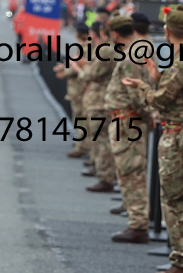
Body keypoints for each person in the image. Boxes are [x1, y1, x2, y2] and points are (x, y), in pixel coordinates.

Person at [122, 5, 183, 273]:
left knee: (176, 200)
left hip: (179, 135)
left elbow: (160, 101)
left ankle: (182, 263)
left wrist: (144, 86)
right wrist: (157, 78)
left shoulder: (181, 60)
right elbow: (177, 90)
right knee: (182, 199)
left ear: (168, 31)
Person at [104, 12, 155, 243]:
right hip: (128, 119)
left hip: (128, 120)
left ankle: (138, 225)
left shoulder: (130, 57)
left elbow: (135, 94)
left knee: (130, 172)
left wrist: (147, 114)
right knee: (128, 171)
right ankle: (137, 221)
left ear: (115, 34)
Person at [75, 21, 116, 191]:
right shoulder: (112, 49)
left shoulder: (106, 50)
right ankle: (102, 170)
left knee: (102, 140)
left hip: (100, 101)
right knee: (101, 139)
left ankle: (106, 176)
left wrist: (80, 67)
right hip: (104, 100)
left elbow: (93, 73)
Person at [54, 22, 90, 159]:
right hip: (79, 88)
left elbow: (80, 66)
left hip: (80, 88)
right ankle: (81, 144)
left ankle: (82, 146)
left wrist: (65, 70)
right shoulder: (84, 47)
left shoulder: (86, 48)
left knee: (81, 119)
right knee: (79, 118)